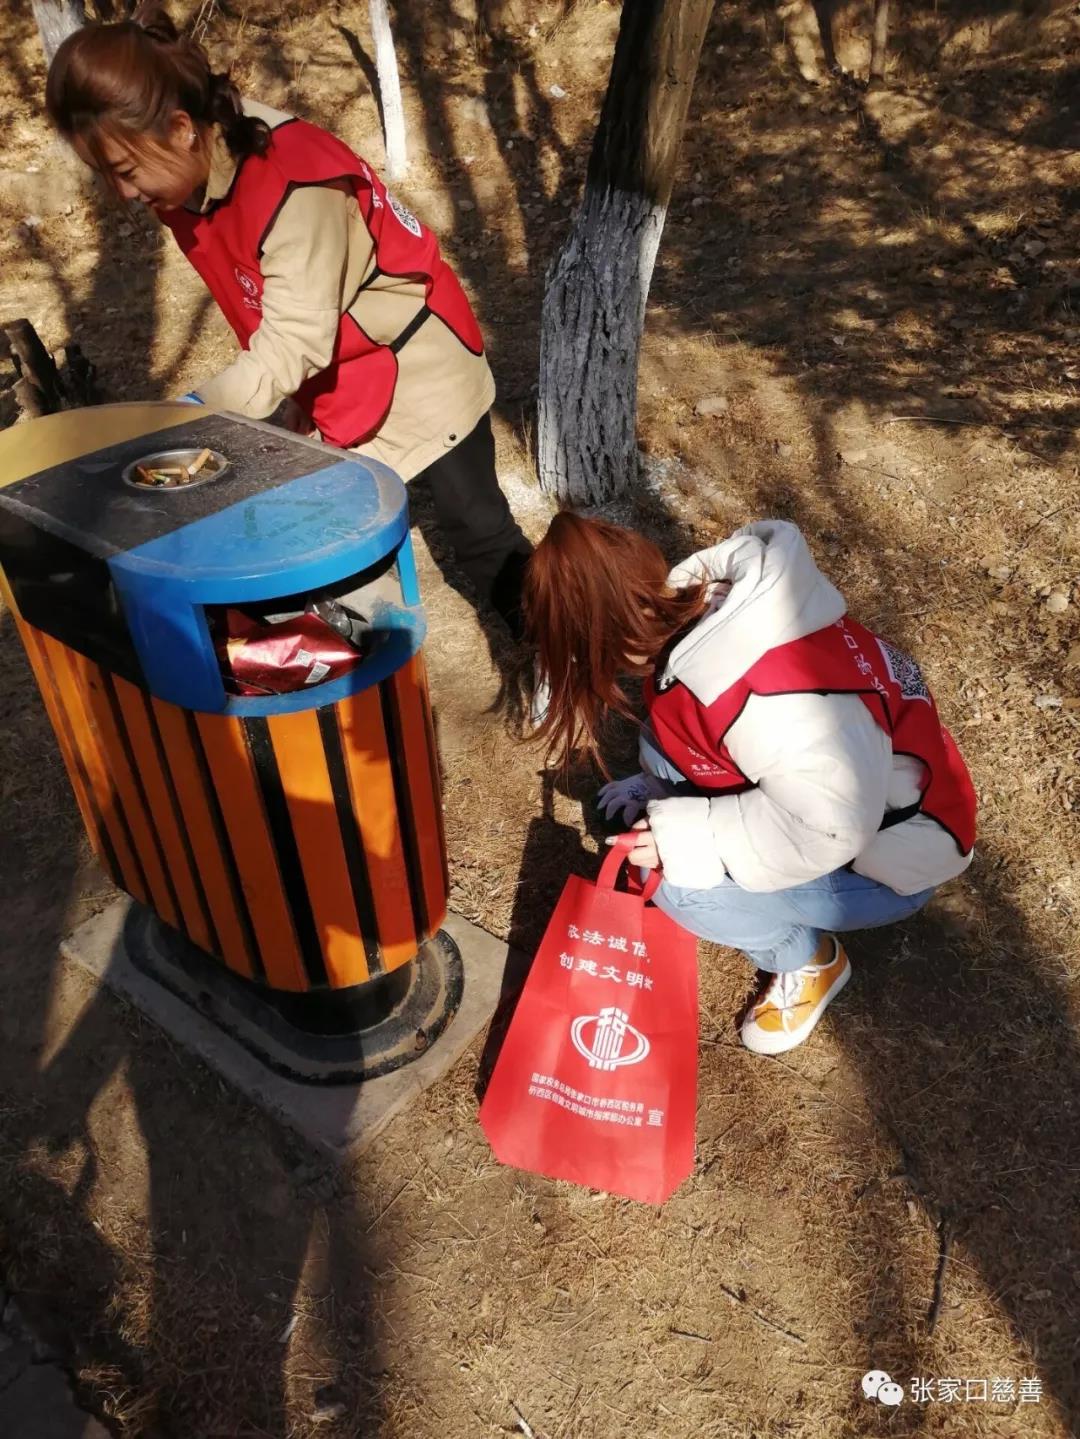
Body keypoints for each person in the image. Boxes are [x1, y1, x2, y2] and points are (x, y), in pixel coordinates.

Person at [44, 3, 531, 633]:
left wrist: (187, 419)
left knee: (480, 533)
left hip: (418, 363)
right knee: (324, 541)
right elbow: (257, 299)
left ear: (182, 128)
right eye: (108, 177)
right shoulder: (189, 179)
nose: (126, 195)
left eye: (126, 172)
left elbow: (292, 339)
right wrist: (291, 399)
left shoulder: (295, 185)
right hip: (340, 364)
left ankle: (564, 650)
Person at [523, 513, 976, 1055]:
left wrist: (690, 839)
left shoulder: (770, 699)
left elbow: (829, 827)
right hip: (849, 793)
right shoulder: (706, 612)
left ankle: (807, 960)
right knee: (664, 749)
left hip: (890, 856)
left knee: (675, 884)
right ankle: (676, 806)